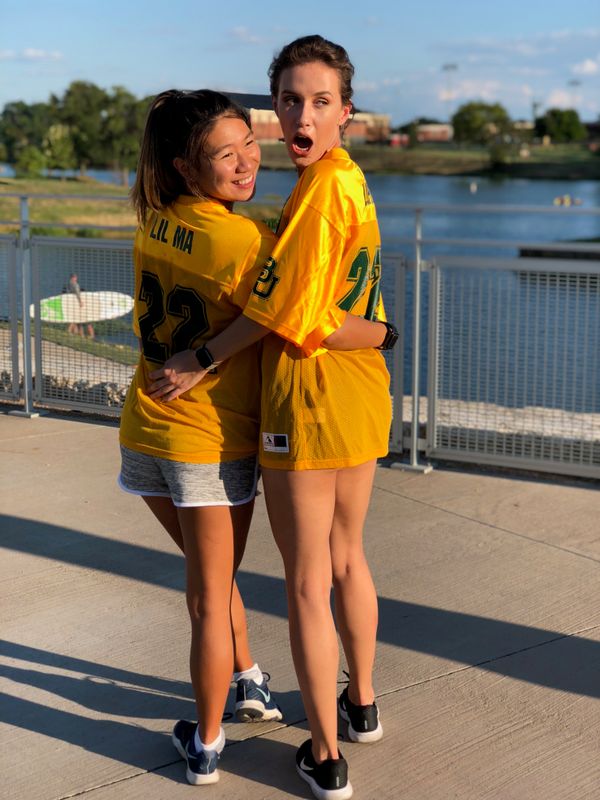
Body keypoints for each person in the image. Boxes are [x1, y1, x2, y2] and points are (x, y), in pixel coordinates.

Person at [148, 36, 397, 800]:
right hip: (363, 392)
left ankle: (324, 756)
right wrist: (385, 336)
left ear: (345, 113)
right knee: (350, 557)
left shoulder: (316, 196)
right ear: (274, 108)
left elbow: (293, 316)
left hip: (312, 397)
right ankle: (362, 705)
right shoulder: (348, 182)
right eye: (290, 99)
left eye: (320, 101)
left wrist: (200, 359)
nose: (302, 113)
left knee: (305, 582)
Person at [118, 89, 285, 786]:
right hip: (205, 442)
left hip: (143, 431)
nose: (247, 161)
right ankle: (208, 743)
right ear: (189, 168)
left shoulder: (153, 220)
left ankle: (247, 674)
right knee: (208, 596)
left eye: (251, 143)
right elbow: (288, 314)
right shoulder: (243, 241)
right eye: (226, 153)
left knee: (210, 575)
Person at [65, 273, 95, 338]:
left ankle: (80, 335)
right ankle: (89, 336)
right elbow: (78, 293)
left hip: (72, 304)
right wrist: (80, 301)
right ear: (73, 278)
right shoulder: (75, 285)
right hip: (78, 304)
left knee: (77, 321)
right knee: (84, 321)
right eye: (75, 277)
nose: (76, 278)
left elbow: (67, 293)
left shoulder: (68, 285)